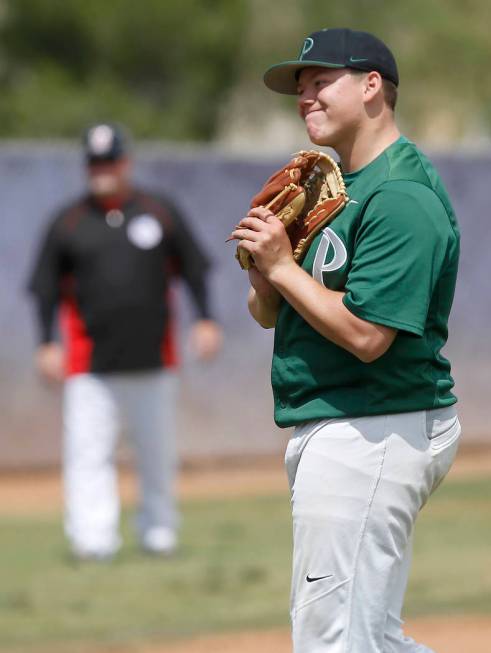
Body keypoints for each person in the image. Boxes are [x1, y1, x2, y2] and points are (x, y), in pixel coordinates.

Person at [232, 28, 460, 653]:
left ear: (371, 87)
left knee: (334, 640)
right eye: (299, 87)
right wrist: (266, 269)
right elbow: (268, 315)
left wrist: (283, 267)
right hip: (343, 422)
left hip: (375, 424)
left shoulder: (400, 196)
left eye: (320, 81)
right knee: (369, 638)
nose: (305, 96)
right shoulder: (338, 190)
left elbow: (366, 335)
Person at [28, 123, 222, 560]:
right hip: (90, 366)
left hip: (154, 359)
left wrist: (206, 319)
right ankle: (93, 540)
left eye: (109, 161)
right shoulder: (68, 222)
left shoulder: (159, 211)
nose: (102, 171)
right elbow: (43, 287)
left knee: (156, 454)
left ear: (126, 162)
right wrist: (45, 342)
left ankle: (158, 533)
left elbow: (194, 268)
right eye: (94, 163)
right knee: (88, 455)